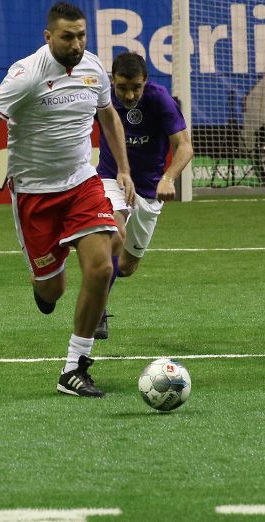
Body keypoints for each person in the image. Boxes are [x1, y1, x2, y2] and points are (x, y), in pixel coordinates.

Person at [0, 2, 135, 398]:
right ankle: (45, 289)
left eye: (82, 35)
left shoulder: (93, 69)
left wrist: (122, 170)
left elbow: (108, 117)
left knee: (102, 264)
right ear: (49, 37)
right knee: (51, 291)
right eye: (68, 36)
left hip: (81, 184)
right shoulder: (26, 75)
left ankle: (75, 367)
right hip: (35, 194)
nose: (76, 44)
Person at [93, 52, 193, 340]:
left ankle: (103, 272)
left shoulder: (160, 99)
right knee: (114, 232)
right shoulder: (101, 96)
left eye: (135, 87)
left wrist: (168, 178)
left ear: (145, 81)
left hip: (150, 189)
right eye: (122, 87)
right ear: (112, 81)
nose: (129, 94)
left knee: (126, 267)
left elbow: (184, 147)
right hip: (112, 178)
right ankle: (98, 307)